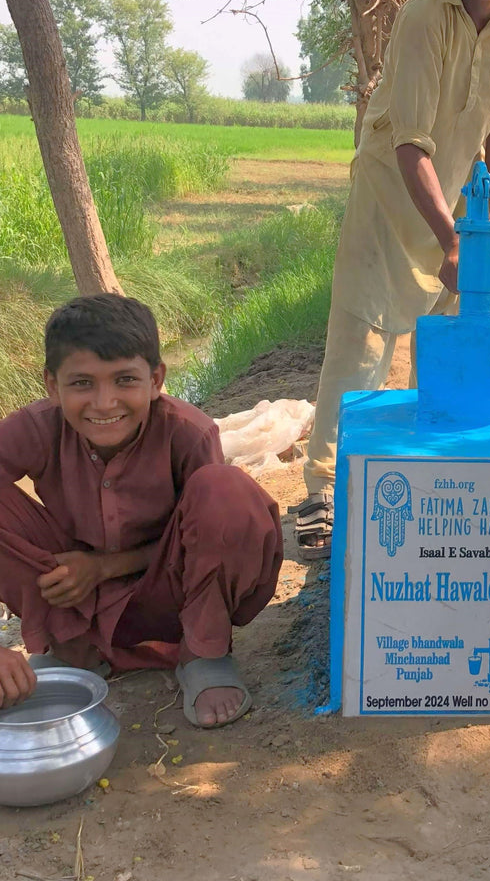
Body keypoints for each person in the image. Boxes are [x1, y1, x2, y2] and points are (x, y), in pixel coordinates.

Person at [292, 0, 490, 560]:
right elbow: (409, 143)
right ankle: (322, 488)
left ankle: (418, 469)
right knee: (364, 338)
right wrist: (450, 235)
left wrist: (487, 205)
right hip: (391, 188)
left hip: (456, 189)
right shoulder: (421, 18)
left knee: (440, 331)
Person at [0, 294, 283, 729]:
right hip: (70, 597)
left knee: (226, 489)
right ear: (52, 386)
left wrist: (103, 567)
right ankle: (73, 650)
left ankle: (203, 653)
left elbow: (210, 534)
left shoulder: (188, 433)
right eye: (82, 383)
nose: (104, 402)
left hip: (168, 592)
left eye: (124, 380)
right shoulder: (37, 427)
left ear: (155, 380)